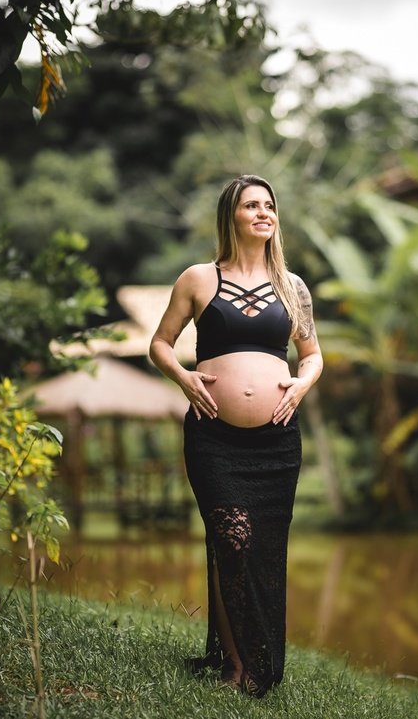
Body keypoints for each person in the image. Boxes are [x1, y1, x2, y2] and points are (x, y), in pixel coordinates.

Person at [149, 174, 323, 696]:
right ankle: (236, 666)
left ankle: (256, 660)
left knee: (264, 547)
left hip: (277, 441)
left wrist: (299, 385)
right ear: (232, 216)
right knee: (231, 539)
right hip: (213, 438)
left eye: (269, 206)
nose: (264, 213)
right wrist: (182, 376)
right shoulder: (199, 279)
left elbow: (313, 355)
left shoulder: (292, 287)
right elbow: (159, 343)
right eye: (252, 205)